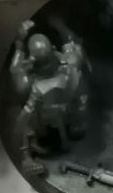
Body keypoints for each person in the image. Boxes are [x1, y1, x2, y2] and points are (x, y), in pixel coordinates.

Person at [9, 21, 89, 175]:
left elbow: (15, 70)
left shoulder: (28, 82)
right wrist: (59, 24)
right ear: (53, 48)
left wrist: (19, 44)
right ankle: (76, 124)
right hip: (66, 111)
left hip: (42, 117)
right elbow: (73, 43)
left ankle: (26, 154)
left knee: (17, 110)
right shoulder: (71, 64)